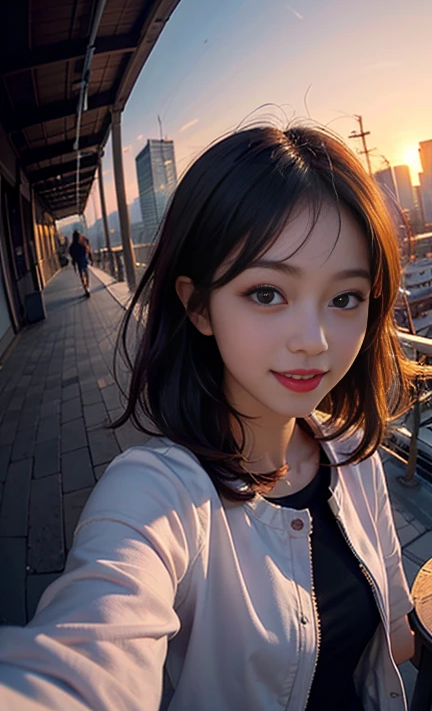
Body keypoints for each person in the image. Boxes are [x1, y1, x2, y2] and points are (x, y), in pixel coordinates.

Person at [0, 124, 426, 711]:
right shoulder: (155, 497)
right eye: (267, 293)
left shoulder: (351, 451)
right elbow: (85, 658)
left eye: (345, 298)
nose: (314, 340)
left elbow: (396, 635)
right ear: (198, 305)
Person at [69, 229, 91, 296]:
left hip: (79, 262)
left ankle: (85, 288)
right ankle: (87, 287)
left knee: (82, 275)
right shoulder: (82, 244)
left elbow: (72, 255)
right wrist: (90, 258)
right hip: (84, 260)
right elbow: (87, 249)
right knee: (86, 274)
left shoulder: (72, 246)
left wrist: (74, 262)